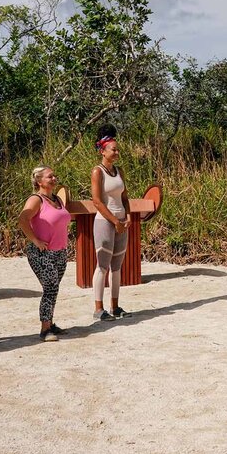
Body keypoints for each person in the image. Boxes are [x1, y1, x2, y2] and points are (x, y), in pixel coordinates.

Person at [18, 166, 72, 341]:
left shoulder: (57, 199)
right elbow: (22, 219)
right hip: (41, 253)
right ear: (39, 181)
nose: (54, 178)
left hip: (60, 252)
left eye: (54, 175)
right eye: (50, 177)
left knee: (53, 288)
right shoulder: (36, 200)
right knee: (50, 287)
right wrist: (35, 240)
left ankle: (50, 323)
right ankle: (45, 329)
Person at [90, 124, 132, 321]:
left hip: (122, 221)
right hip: (105, 222)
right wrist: (115, 220)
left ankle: (115, 306)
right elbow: (97, 201)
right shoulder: (97, 172)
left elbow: (124, 198)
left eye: (117, 149)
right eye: (113, 149)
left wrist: (128, 216)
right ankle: (99, 309)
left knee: (117, 266)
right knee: (102, 265)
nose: (117, 152)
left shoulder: (119, 171)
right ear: (103, 151)